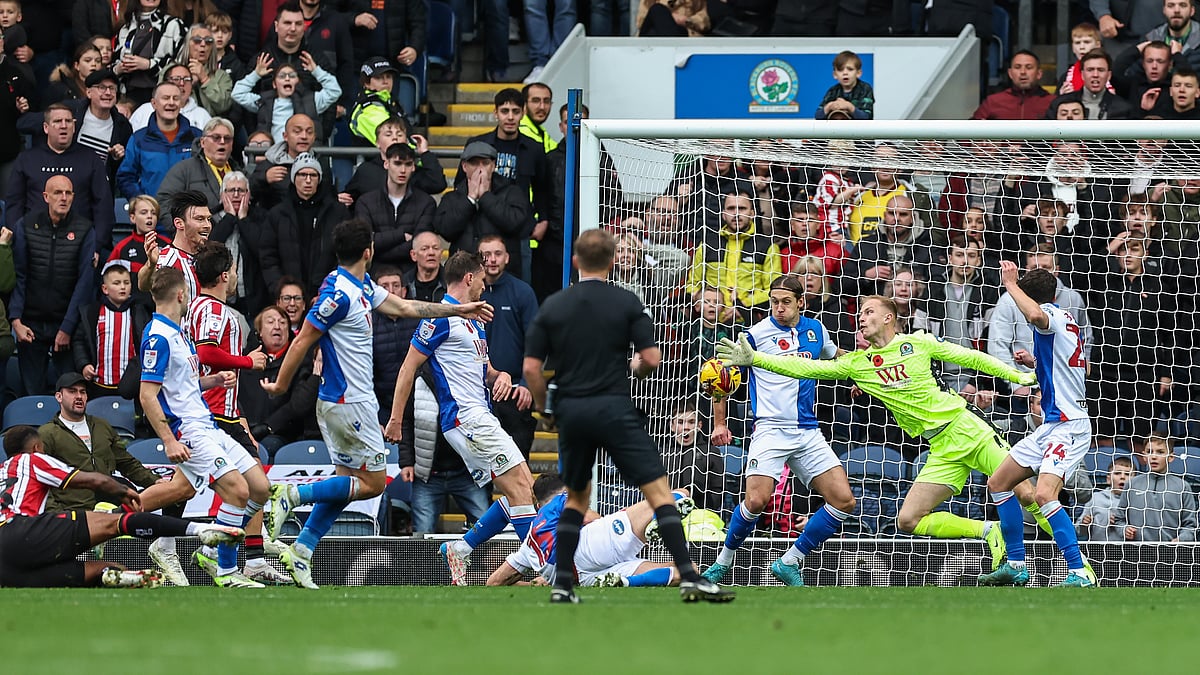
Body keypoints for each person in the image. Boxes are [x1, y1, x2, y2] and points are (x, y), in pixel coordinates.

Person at [716, 295, 1056, 575]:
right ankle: (989, 531)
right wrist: (758, 358)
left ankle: (1072, 563)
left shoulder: (918, 343)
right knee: (908, 520)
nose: (861, 319)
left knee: (1026, 492)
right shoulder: (859, 364)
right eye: (860, 313)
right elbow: (808, 367)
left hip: (966, 426)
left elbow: (971, 357)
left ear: (890, 318)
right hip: (939, 444)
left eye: (868, 312)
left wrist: (1020, 378)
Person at [262, 219, 493, 589]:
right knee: (372, 484)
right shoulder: (337, 294)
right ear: (368, 251)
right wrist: (280, 384)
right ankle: (291, 494)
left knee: (345, 483)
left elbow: (403, 307)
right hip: (348, 402)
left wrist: (456, 310)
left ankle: (302, 551)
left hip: (347, 402)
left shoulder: (360, 286)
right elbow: (304, 337)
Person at [522, 228, 734, 603]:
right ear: (610, 262)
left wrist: (543, 408)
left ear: (575, 261)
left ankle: (562, 586)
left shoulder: (555, 304)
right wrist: (632, 370)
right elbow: (651, 358)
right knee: (658, 492)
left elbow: (531, 368)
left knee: (575, 498)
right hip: (614, 407)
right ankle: (688, 576)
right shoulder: (625, 301)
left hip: (574, 410)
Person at [383, 251, 538, 584]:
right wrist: (396, 419)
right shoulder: (439, 317)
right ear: (469, 278)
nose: (484, 284)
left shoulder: (474, 320)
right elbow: (409, 367)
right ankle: (539, 567)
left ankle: (462, 549)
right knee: (522, 490)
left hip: (481, 415)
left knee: (523, 488)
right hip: (465, 419)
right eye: (482, 278)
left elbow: (483, 371)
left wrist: (502, 376)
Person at [703, 274, 852, 587]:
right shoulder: (755, 336)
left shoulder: (816, 330)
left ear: (801, 302)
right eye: (774, 302)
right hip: (770, 429)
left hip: (808, 431)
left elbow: (835, 355)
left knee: (843, 501)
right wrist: (719, 422)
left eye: (786, 302)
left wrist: (863, 372)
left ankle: (790, 561)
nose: (779, 308)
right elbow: (721, 375)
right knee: (756, 501)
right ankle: (723, 562)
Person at [139, 266, 272, 588]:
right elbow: (147, 395)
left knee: (259, 488)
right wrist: (170, 441)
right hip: (189, 431)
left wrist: (210, 380)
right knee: (237, 492)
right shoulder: (158, 337)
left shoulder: (179, 332)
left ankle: (114, 513)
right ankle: (224, 568)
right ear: (181, 294)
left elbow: (178, 386)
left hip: (208, 424)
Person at [0, 424, 244, 588]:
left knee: (98, 570)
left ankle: (111, 573)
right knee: (115, 522)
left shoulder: (2, 470)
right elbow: (89, 479)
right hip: (19, 530)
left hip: (6, 566)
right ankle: (200, 530)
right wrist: (123, 491)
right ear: (36, 448)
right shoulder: (31, 460)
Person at [978, 263, 1097, 588]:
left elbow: (1034, 316)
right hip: (1051, 425)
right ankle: (1016, 564)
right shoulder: (1066, 321)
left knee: (1045, 494)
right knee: (999, 483)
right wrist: (1035, 362)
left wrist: (1010, 284)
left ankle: (1080, 571)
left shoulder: (1047, 315)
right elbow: (1064, 359)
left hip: (1069, 425)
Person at [186, 242, 286, 585]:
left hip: (224, 413)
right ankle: (219, 558)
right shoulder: (213, 312)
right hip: (210, 415)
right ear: (226, 275)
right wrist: (248, 361)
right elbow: (207, 353)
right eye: (234, 272)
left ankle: (235, 556)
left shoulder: (202, 307)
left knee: (258, 488)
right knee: (238, 490)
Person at [487, 473, 691, 588]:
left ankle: (625, 582)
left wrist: (538, 583)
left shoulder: (529, 543)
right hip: (594, 545)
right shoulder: (561, 500)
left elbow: (494, 582)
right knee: (679, 494)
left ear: (537, 505)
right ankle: (656, 521)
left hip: (580, 578)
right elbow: (591, 518)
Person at [10, 176, 95, 396]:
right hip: (30, 323)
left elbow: (85, 283)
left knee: (68, 394)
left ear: (74, 197)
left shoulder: (85, 229)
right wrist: (16, 320)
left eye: (68, 193)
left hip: (66, 325)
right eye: (58, 193)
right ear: (46, 197)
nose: (63, 198)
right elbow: (19, 275)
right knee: (31, 395)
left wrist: (67, 328)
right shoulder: (26, 225)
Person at [38, 372, 166, 511]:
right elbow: (39, 478)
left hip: (109, 505)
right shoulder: (47, 433)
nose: (79, 396)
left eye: (83, 392)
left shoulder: (101, 426)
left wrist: (154, 481)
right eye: (72, 392)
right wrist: (55, 512)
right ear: (59, 397)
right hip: (72, 510)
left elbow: (126, 463)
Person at [6, 104, 115, 258]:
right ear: (46, 127)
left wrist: (96, 246)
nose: (63, 126)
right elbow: (14, 204)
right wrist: (19, 243)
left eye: (68, 121)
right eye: (57, 121)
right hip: (34, 245)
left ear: (74, 126)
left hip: (80, 245)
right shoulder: (27, 159)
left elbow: (103, 205)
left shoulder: (90, 158)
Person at [478, 235, 539, 458]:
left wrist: (526, 384)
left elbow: (536, 344)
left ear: (507, 258)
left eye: (497, 254)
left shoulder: (522, 292)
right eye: (486, 254)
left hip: (515, 393)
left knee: (518, 465)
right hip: (478, 392)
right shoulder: (471, 294)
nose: (492, 260)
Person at [434, 141, 531, 277]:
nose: (480, 169)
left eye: (485, 163)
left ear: (493, 166)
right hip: (464, 275)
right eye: (474, 163)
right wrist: (470, 200)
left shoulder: (512, 192)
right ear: (464, 166)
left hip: (503, 275)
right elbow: (445, 230)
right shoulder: (452, 197)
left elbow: (515, 223)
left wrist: (485, 197)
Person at [260, 152, 349, 294]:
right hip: (288, 296)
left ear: (319, 179)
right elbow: (268, 257)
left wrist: (329, 290)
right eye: (302, 175)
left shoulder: (338, 213)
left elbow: (346, 255)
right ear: (294, 178)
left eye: (313, 175)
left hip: (327, 293)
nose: (308, 180)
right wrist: (280, 290)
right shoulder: (277, 214)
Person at [686, 191, 780, 323]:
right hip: (711, 324)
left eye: (742, 208)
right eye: (731, 208)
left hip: (750, 322)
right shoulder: (707, 244)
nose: (736, 214)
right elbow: (693, 285)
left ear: (752, 213)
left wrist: (743, 305)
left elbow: (774, 291)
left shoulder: (767, 247)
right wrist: (707, 303)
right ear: (723, 214)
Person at [71, 262, 151, 399]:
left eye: (126, 282)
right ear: (105, 288)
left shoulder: (139, 312)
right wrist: (84, 364)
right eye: (117, 283)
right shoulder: (92, 313)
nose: (122, 287)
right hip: (99, 386)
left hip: (131, 388)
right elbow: (79, 341)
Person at [353, 142, 435, 272]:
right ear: (386, 164)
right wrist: (401, 236)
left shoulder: (426, 202)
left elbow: (419, 247)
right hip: (375, 274)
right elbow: (365, 243)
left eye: (408, 164)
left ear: (413, 167)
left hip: (411, 275)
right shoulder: (366, 202)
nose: (403, 170)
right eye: (397, 164)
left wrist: (380, 247)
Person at [116, 81, 201, 200]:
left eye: (175, 98)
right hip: (153, 214)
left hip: (188, 213)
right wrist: (141, 200)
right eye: (166, 98)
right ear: (154, 103)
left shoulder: (196, 137)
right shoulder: (139, 139)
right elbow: (126, 177)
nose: (171, 103)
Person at [232, 51, 341, 142]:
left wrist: (316, 71)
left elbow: (334, 91)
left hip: (301, 158)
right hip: (272, 157)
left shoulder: (311, 101)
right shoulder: (263, 102)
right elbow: (237, 94)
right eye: (282, 76)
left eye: (292, 76)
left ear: (298, 82)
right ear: (274, 84)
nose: (287, 79)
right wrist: (256, 74)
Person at [1115, 431, 1198, 541]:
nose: (1153, 456)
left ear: (1171, 457)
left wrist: (1181, 539)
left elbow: (1190, 526)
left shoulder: (1183, 487)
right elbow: (1119, 520)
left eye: (1160, 452)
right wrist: (1124, 530)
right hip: (1137, 552)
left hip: (1170, 553)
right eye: (1149, 452)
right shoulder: (1132, 484)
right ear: (1144, 456)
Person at [341, 116, 445, 203]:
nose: (395, 138)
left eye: (399, 135)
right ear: (377, 142)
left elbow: (437, 184)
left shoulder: (412, 171)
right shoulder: (366, 170)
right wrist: (341, 199)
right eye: (388, 134)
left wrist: (425, 153)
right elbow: (349, 197)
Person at [137, 189, 211, 299]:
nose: (207, 225)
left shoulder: (210, 257)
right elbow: (144, 286)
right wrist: (151, 264)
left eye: (208, 219)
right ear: (179, 223)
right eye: (200, 219)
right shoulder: (167, 260)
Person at [112, 0, 187, 106]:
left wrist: (149, 64)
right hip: (129, 95)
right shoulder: (125, 28)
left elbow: (182, 62)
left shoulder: (174, 25)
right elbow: (113, 63)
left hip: (162, 94)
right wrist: (119, 68)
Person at [157, 116, 238, 211]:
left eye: (227, 138)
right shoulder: (184, 169)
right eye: (216, 138)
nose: (222, 142)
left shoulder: (239, 172)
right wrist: (180, 225)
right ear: (203, 142)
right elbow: (164, 201)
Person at [1049, 49, 1136, 120]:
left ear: (1109, 75)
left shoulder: (1124, 108)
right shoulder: (1060, 104)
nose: (1095, 75)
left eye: (1100, 70)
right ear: (1082, 75)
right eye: (1090, 70)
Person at [127, 62, 214, 130]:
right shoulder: (145, 110)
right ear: (165, 82)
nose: (182, 83)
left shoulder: (202, 115)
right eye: (176, 79)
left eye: (187, 79)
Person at [970, 50, 1053, 120]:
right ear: (1010, 73)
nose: (1023, 72)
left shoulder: (1051, 102)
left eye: (1029, 67)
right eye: (1017, 67)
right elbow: (969, 133)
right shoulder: (993, 101)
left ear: (1039, 73)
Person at [176, 22, 233, 117]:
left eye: (208, 41)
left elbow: (224, 106)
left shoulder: (221, 76)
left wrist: (204, 79)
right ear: (187, 44)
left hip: (207, 126)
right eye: (197, 40)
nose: (203, 44)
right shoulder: (171, 70)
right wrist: (188, 82)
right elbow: (163, 98)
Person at [348, 57, 405, 146]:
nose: (386, 81)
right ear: (366, 83)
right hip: (380, 158)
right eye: (379, 78)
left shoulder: (390, 102)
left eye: (389, 77)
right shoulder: (368, 110)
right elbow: (392, 144)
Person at [1076, 456, 1134, 541]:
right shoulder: (1095, 498)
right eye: (1117, 473)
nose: (1122, 477)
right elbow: (1079, 531)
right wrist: (1084, 524)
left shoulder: (1136, 501)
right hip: (1097, 550)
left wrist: (1122, 523)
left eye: (1127, 474)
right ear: (1108, 479)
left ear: (1135, 480)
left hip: (1127, 551)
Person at [815, 50, 873, 120]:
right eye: (840, 70)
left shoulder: (865, 89)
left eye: (850, 69)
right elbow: (817, 116)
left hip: (858, 129)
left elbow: (867, 117)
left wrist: (848, 106)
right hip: (835, 129)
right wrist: (829, 106)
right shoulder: (832, 91)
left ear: (858, 73)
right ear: (835, 75)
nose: (845, 73)